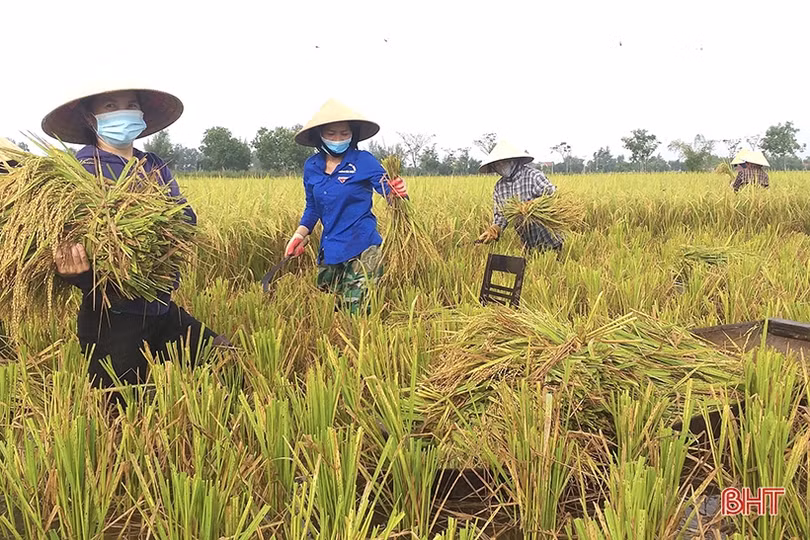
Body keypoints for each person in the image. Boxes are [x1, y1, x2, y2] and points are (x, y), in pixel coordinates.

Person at [41, 84, 229, 395]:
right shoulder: (78, 172)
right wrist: (74, 271)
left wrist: (158, 226)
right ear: (90, 117)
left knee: (228, 362)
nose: (123, 112)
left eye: (131, 105)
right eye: (110, 106)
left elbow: (186, 219)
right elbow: (64, 241)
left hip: (160, 307)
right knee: (124, 406)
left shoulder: (153, 165)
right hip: (112, 316)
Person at [285, 99, 408, 315]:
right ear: (320, 136)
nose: (338, 139)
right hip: (330, 249)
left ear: (353, 135)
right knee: (330, 312)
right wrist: (299, 235)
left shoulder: (363, 161)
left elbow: (389, 193)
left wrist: (397, 192)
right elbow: (312, 207)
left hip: (363, 247)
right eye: (331, 133)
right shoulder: (312, 166)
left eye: (344, 133)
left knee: (357, 314)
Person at [476, 140, 563, 257]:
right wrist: (493, 230)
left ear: (513, 160)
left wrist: (532, 205)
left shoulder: (533, 176)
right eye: (497, 164)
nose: (500, 167)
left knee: (551, 267)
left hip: (551, 240)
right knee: (531, 267)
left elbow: (554, 196)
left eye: (503, 162)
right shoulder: (500, 187)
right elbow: (501, 216)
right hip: (528, 244)